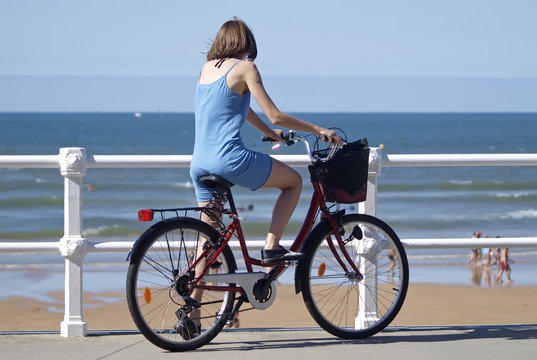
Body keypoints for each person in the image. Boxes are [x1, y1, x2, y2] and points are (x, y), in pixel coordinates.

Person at [180, 17, 343, 339]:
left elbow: (241, 108)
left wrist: (270, 135)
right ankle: (271, 247)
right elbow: (275, 113)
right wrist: (320, 130)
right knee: (293, 182)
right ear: (247, 43)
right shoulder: (246, 68)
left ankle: (192, 311)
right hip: (229, 159)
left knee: (208, 237)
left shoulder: (208, 68)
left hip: (199, 163)